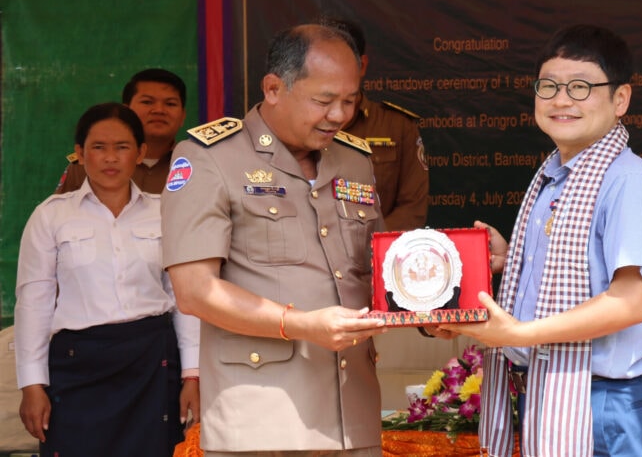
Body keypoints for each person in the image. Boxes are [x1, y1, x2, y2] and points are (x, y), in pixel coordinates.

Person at [443, 24, 642, 457]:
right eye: (548, 86)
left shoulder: (630, 181)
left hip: (601, 403)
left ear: (620, 99)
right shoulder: (553, 178)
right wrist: (511, 261)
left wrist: (521, 333)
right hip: (546, 393)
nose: (561, 100)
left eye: (581, 87)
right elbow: (580, 274)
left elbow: (630, 301)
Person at [161, 23, 388, 457]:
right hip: (261, 421)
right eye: (323, 101)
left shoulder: (355, 160)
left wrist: (431, 310)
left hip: (353, 419)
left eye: (349, 100)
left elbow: (379, 271)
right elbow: (194, 291)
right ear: (273, 88)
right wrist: (302, 325)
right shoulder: (210, 157)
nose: (339, 115)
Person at [15, 102, 200, 457]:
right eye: (99, 147)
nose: (110, 158)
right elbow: (33, 305)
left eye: (122, 147)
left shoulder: (166, 212)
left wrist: (192, 374)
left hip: (152, 362)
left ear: (140, 153)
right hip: (76, 365)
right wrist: (32, 384)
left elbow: (183, 299)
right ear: (80, 154)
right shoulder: (51, 216)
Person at [318, 18, 429, 231]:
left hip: (375, 256)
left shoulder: (397, 127)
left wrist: (370, 245)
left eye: (341, 63)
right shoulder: (296, 126)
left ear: (362, 66)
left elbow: (412, 208)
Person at [56, 68, 188, 194]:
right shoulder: (85, 164)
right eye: (147, 102)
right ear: (127, 111)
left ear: (182, 116)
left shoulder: (195, 162)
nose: (159, 110)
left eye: (170, 104)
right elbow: (60, 213)